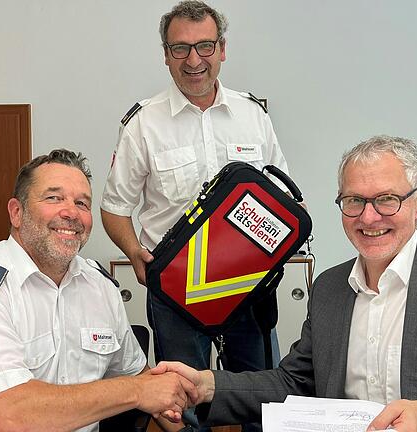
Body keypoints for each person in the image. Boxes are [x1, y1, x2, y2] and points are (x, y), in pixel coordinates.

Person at [153, 135, 417, 431]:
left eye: (386, 199)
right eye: (354, 201)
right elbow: (295, 383)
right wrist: (206, 385)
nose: (368, 217)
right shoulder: (331, 288)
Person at [0, 149, 196, 432]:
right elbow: (9, 417)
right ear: (17, 212)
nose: (71, 213)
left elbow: (137, 374)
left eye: (82, 203)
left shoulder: (100, 287)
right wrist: (138, 391)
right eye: (54, 197)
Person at [101, 2, 287, 427]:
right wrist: (133, 252)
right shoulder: (143, 125)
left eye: (204, 45)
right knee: (180, 401)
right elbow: (114, 208)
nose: (194, 60)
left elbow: (280, 194)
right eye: (180, 48)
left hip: (248, 284)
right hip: (177, 287)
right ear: (165, 55)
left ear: (222, 48)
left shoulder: (253, 116)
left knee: (261, 394)